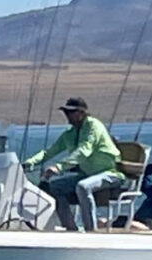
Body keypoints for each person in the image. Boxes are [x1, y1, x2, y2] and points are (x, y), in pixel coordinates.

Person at [21, 97, 123, 232]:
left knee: (83, 186)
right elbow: (50, 152)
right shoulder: (69, 134)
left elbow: (84, 150)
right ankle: (70, 228)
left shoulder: (94, 126)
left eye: (71, 112)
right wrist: (29, 163)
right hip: (87, 174)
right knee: (54, 187)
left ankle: (91, 230)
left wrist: (59, 167)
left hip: (110, 173)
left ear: (81, 113)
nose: (67, 116)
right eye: (66, 112)